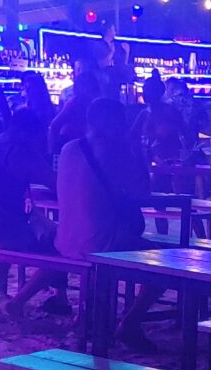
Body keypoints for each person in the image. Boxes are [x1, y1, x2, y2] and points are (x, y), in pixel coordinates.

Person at [56, 98, 165, 347]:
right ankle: (129, 323)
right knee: (163, 264)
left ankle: (88, 315)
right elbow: (142, 192)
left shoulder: (69, 148)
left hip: (65, 240)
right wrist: (137, 149)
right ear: (114, 122)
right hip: (101, 242)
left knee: (104, 238)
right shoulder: (115, 151)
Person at [0, 111, 69, 320]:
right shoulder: (20, 152)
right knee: (61, 250)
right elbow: (56, 184)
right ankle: (19, 301)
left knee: (3, 226)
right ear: (28, 133)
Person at [48, 56, 101, 155]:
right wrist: (53, 151)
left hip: (82, 146)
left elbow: (54, 126)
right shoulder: (74, 102)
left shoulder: (95, 103)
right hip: (73, 145)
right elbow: (55, 125)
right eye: (78, 69)